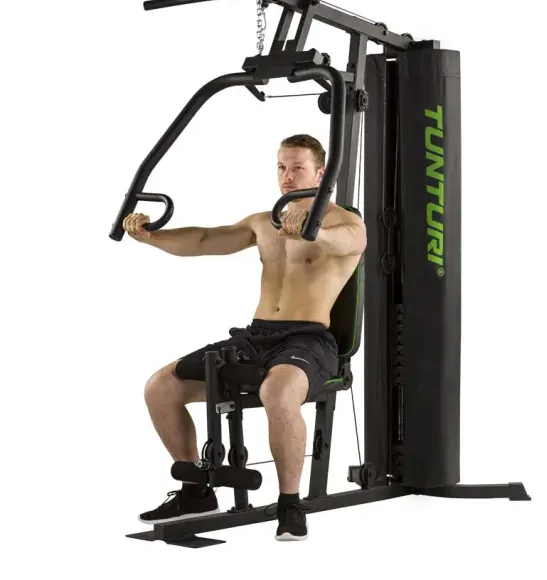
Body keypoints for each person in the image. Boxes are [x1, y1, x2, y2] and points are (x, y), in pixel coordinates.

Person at [124, 134, 367, 541]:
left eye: (298, 168)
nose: (287, 176)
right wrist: (153, 236)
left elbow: (352, 242)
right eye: (281, 167)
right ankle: (196, 492)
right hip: (257, 336)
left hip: (308, 339)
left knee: (278, 392)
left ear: (321, 173)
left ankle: (291, 504)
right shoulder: (264, 222)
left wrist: (314, 232)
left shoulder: (344, 222)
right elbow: (205, 239)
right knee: (160, 387)